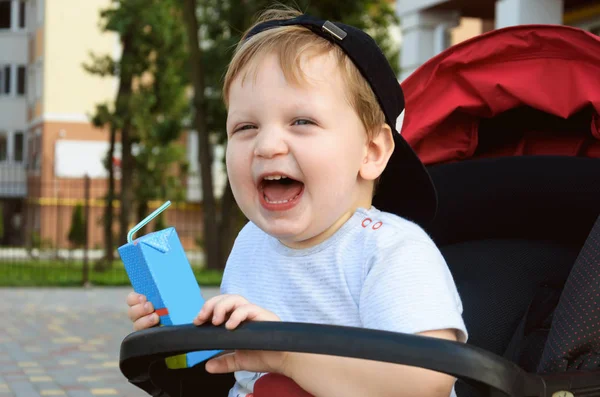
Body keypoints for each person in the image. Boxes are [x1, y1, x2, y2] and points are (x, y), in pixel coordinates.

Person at [127, 5, 467, 397]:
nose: (267, 145)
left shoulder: (390, 251)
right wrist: (180, 335)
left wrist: (288, 356)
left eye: (302, 122)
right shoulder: (251, 243)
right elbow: (235, 367)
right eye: (246, 126)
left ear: (371, 151)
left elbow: (428, 379)